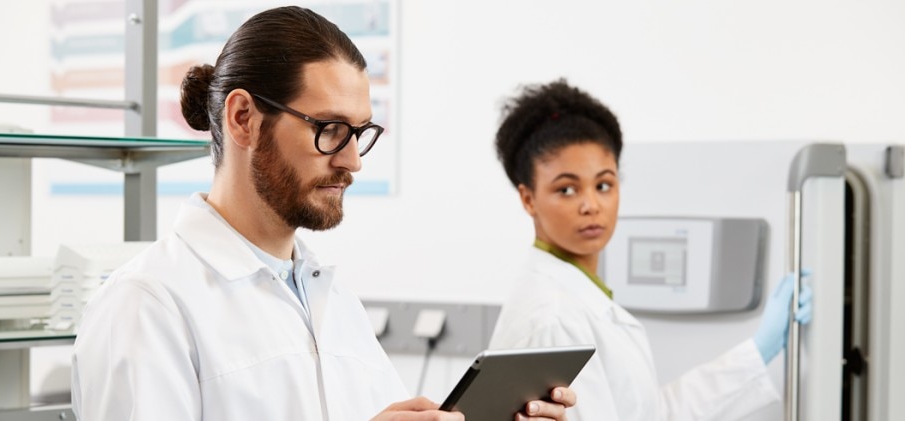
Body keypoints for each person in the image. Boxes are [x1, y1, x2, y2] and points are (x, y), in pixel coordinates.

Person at [70, 6, 575, 421]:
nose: (352, 160)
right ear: (243, 118)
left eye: (361, 133)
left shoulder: (333, 303)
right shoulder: (146, 307)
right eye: (330, 128)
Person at [486, 79, 812, 420]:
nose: (591, 205)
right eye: (567, 189)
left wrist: (760, 351)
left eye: (604, 184)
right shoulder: (553, 320)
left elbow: (650, 413)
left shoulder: (579, 298)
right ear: (528, 199)